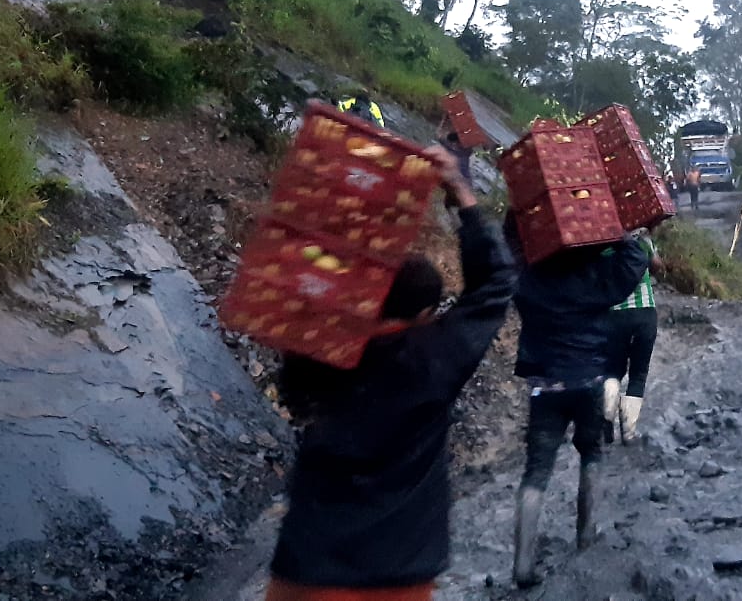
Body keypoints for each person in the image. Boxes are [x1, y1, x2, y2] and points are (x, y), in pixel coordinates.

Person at [266, 147, 515, 601]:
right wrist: (461, 190)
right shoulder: (431, 359)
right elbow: (497, 284)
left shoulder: (318, 352)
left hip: (306, 568)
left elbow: (301, 295)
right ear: (423, 312)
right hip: (397, 573)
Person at [503, 217, 651, 588]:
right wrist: (616, 232)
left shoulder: (530, 279)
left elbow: (510, 254)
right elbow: (634, 264)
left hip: (545, 387)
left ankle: (522, 564)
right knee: (592, 454)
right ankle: (586, 537)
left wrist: (520, 216)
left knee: (536, 472)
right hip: (590, 382)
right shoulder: (595, 275)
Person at [602, 233, 665, 445]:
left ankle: (607, 418)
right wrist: (652, 253)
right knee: (638, 373)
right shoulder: (642, 240)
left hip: (613, 316)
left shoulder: (598, 245)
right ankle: (628, 433)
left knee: (612, 370)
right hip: (644, 314)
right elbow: (657, 267)